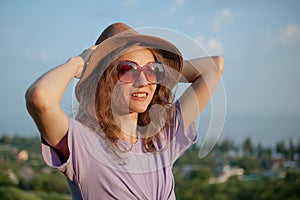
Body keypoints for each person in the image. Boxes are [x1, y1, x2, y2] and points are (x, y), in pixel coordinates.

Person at [25, 22, 224, 199]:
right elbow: (40, 98)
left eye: (151, 70)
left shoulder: (161, 137)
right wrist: (79, 63)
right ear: (103, 81)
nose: (144, 81)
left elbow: (214, 67)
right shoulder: (83, 146)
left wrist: (161, 71)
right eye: (128, 70)